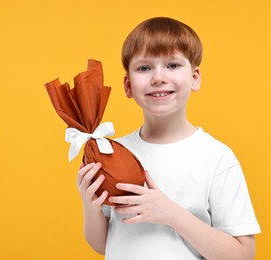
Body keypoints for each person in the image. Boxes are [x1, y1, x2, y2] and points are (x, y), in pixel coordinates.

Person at [76, 17, 261, 260]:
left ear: (195, 78)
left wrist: (170, 213)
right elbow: (102, 244)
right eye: (144, 68)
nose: (158, 77)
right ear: (128, 85)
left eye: (172, 65)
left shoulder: (216, 158)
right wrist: (90, 206)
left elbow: (243, 255)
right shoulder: (113, 152)